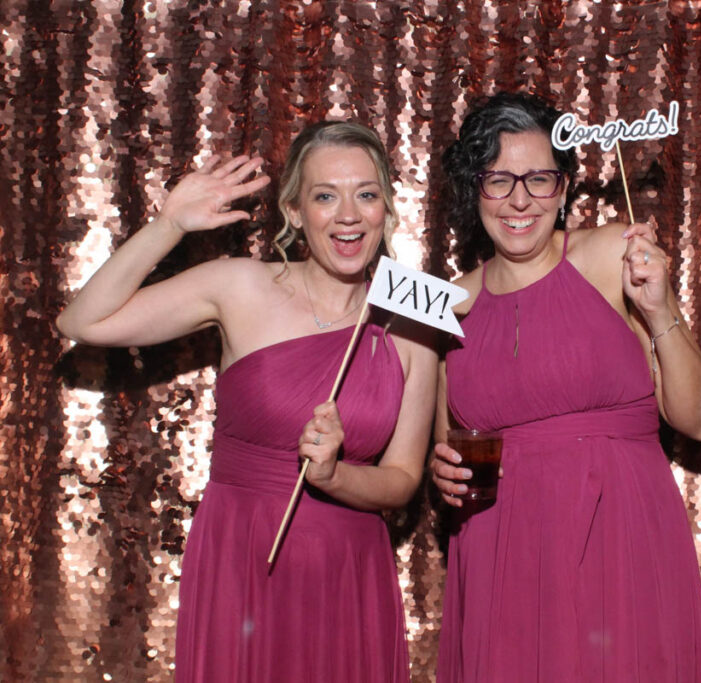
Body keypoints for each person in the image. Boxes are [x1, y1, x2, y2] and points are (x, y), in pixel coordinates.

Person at [57, 122, 437, 682]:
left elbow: (403, 479)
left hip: (348, 568)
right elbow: (81, 320)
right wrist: (168, 225)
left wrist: (333, 476)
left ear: (387, 208)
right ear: (295, 210)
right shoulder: (240, 286)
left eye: (367, 194)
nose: (348, 214)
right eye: (325, 196)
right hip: (243, 553)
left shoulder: (413, 319)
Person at [429, 93, 701, 682]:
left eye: (539, 178)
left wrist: (660, 309)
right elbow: (445, 444)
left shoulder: (614, 253)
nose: (519, 200)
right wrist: (442, 471)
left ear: (563, 188)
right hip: (501, 550)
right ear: (473, 188)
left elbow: (699, 421)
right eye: (498, 179)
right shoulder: (447, 303)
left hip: (621, 537)